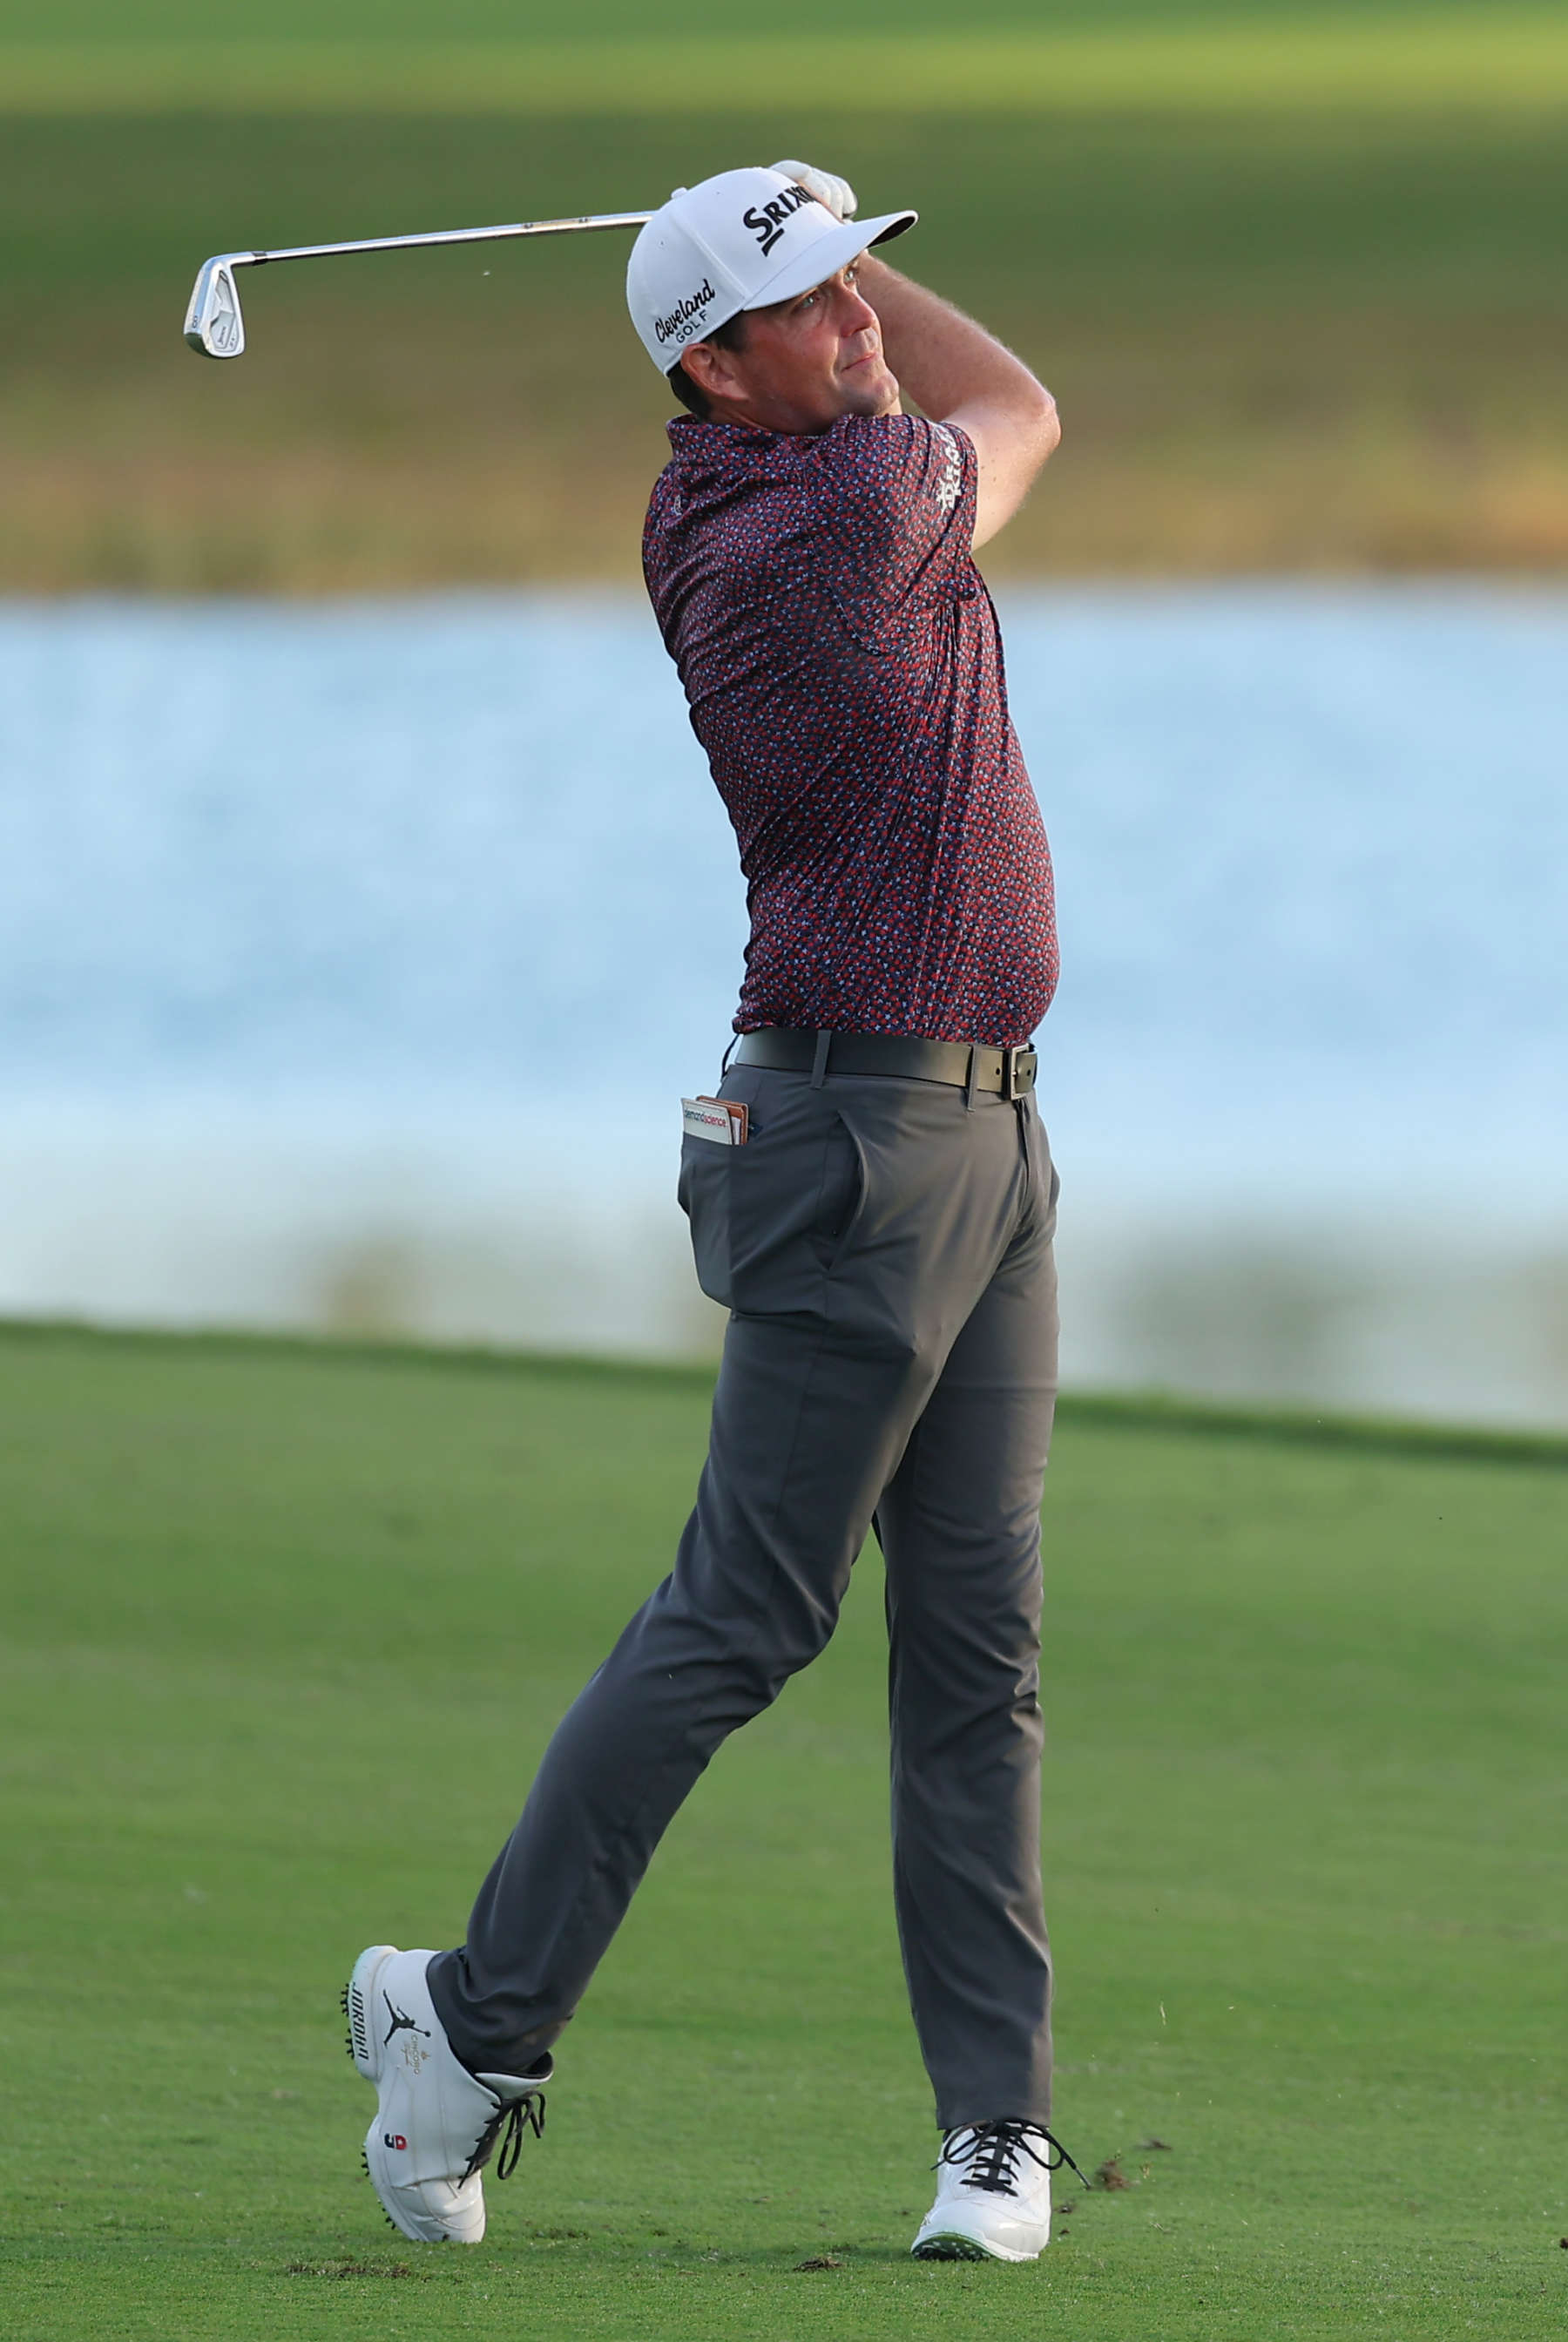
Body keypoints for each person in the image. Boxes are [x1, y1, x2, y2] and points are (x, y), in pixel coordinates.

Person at [344, 159, 1078, 2265]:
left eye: (864, 284)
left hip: (984, 1137)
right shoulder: (843, 506)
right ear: (710, 367)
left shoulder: (749, 470)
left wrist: (806, 236)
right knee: (746, 1615)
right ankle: (468, 2036)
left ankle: (992, 2141)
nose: (862, 319)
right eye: (814, 302)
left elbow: (924, 380)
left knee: (980, 1653)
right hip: (857, 1142)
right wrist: (829, 257)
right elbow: (1026, 403)